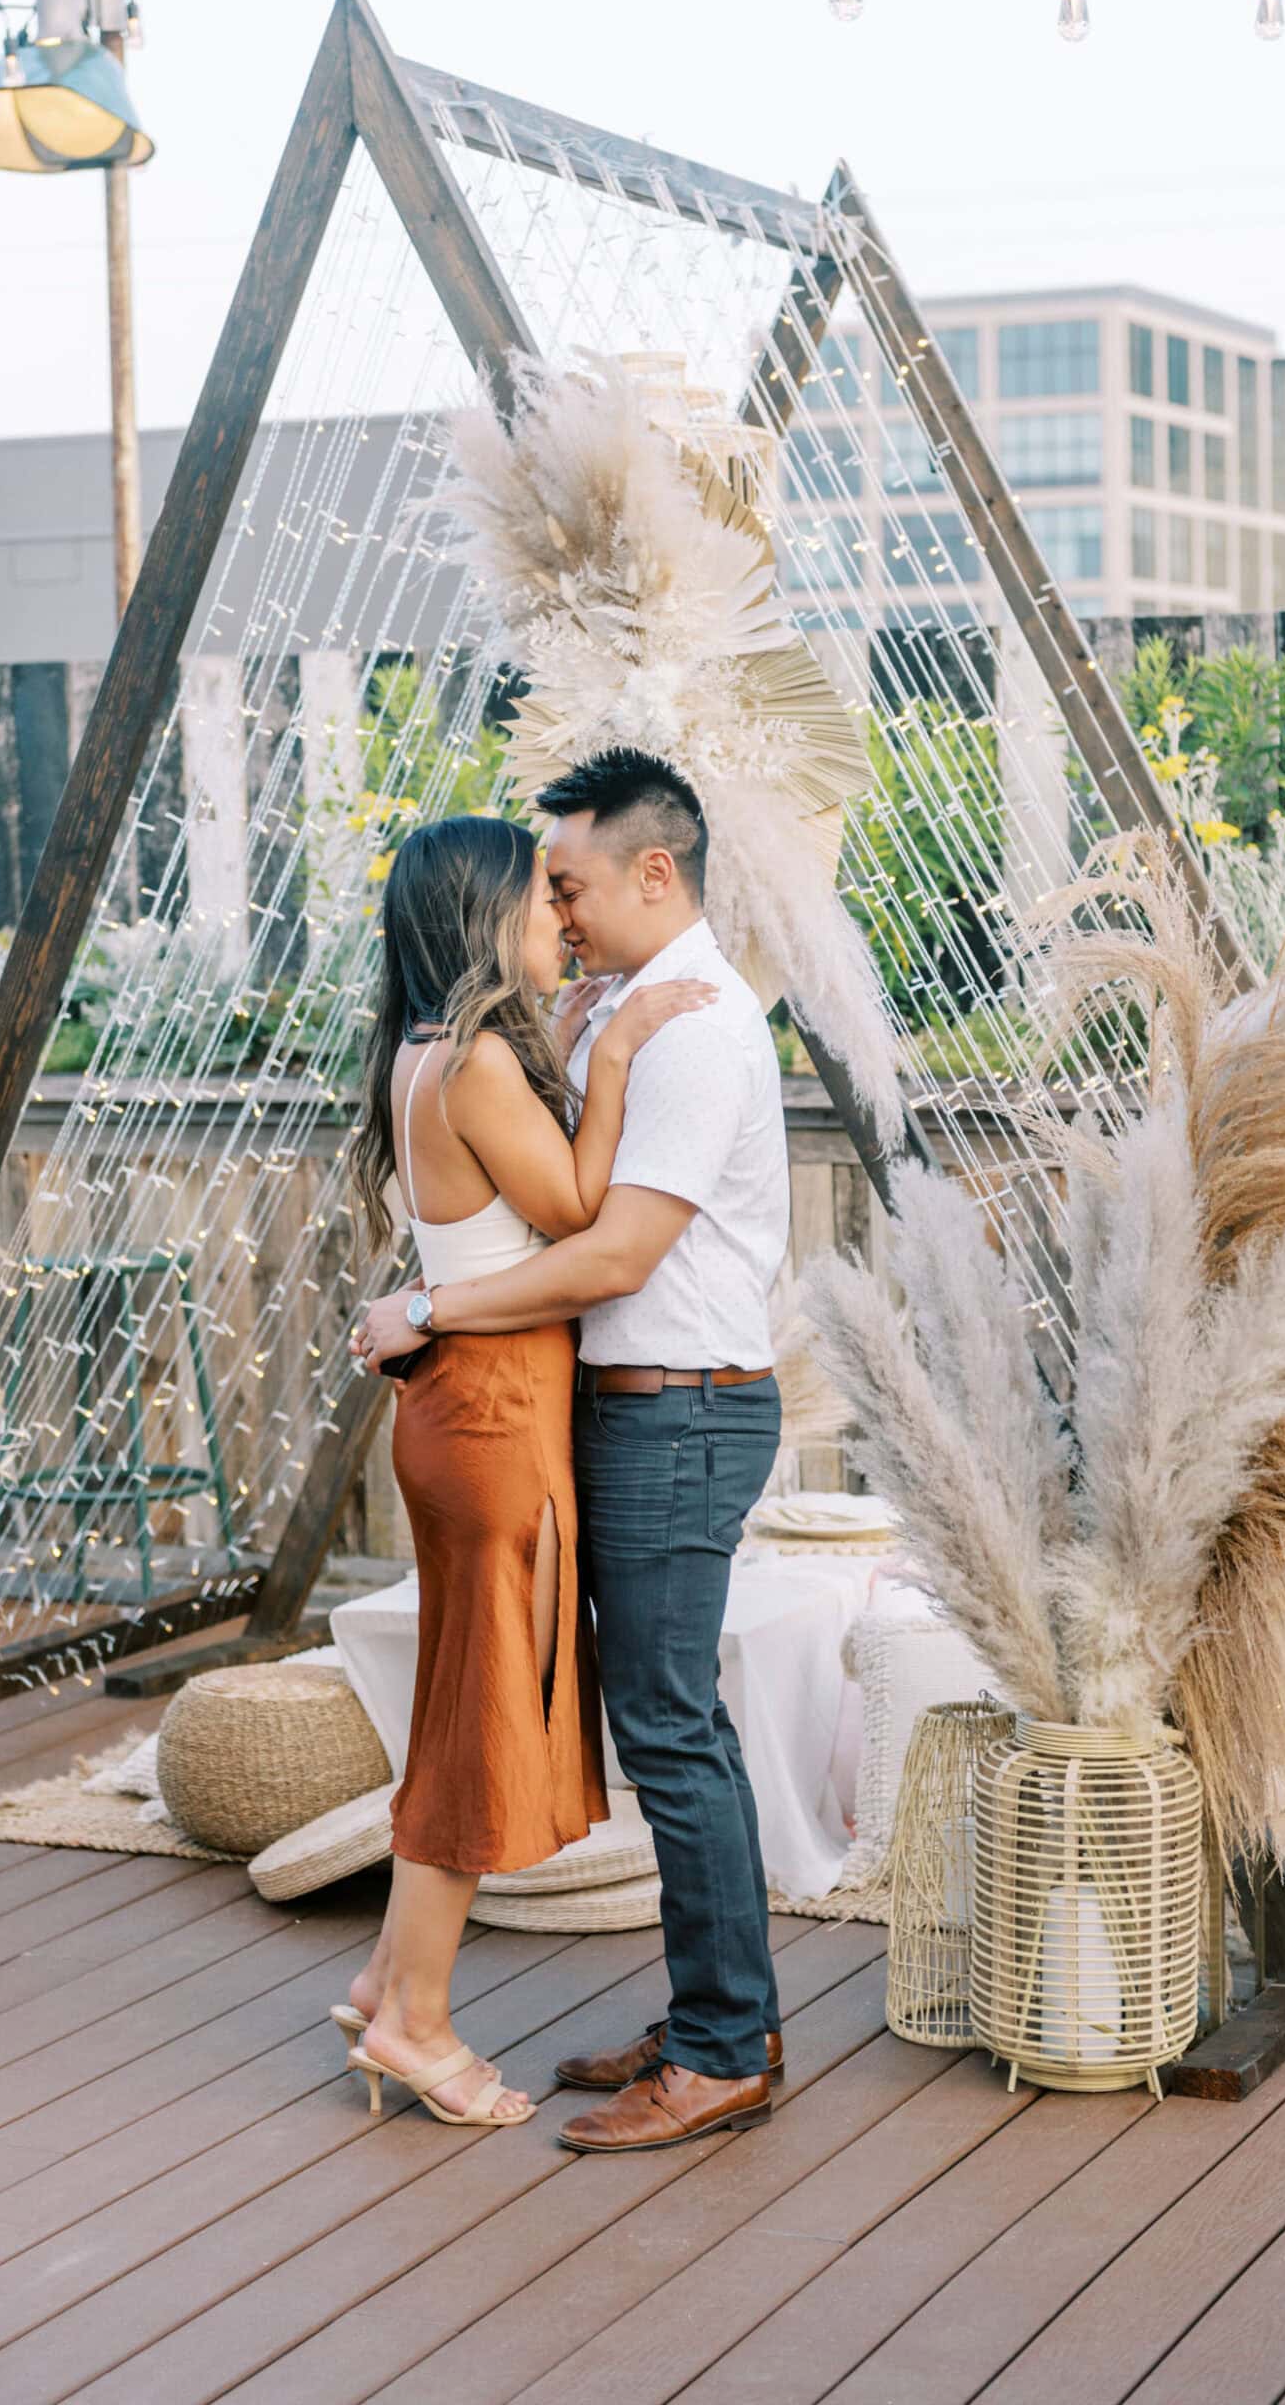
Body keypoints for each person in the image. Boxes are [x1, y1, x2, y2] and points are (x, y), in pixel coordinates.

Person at [356, 749, 791, 2152]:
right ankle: (705, 2009)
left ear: (651, 872)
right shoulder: (602, 1019)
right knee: (659, 1724)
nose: (561, 910)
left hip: (680, 1407)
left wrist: (423, 1306)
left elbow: (608, 1248)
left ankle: (724, 2047)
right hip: (604, 1410)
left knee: (671, 1730)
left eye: (574, 882)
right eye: (541, 891)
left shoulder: (695, 1031)